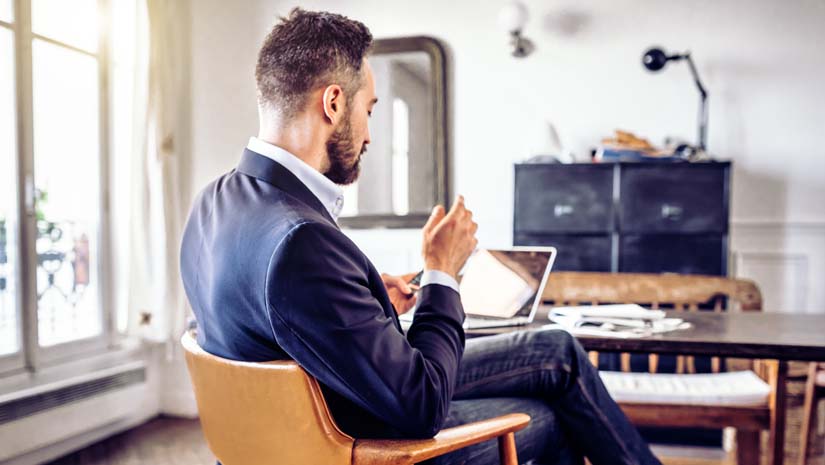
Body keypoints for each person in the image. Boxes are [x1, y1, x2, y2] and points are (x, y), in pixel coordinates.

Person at [180, 8, 662, 465]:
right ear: (333, 103)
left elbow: (280, 322)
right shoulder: (300, 241)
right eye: (369, 110)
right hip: (364, 446)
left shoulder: (213, 203)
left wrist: (370, 302)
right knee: (550, 416)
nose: (369, 135)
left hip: (317, 415)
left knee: (555, 350)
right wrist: (441, 273)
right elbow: (422, 405)